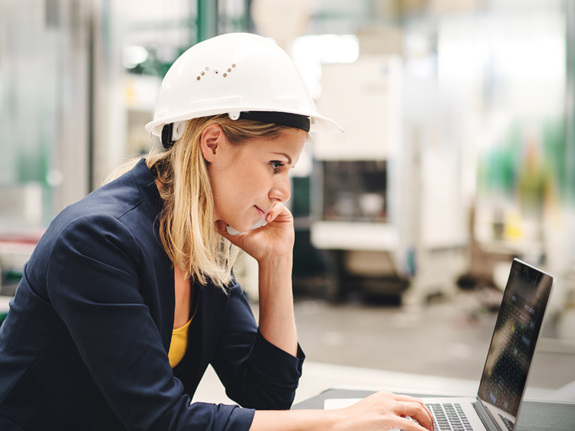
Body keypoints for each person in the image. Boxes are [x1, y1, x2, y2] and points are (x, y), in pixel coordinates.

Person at [0, 33, 434, 431]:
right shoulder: (96, 240)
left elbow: (265, 396)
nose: (282, 192)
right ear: (212, 143)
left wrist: (276, 264)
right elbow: (161, 420)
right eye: (275, 164)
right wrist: (339, 420)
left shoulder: (199, 241)